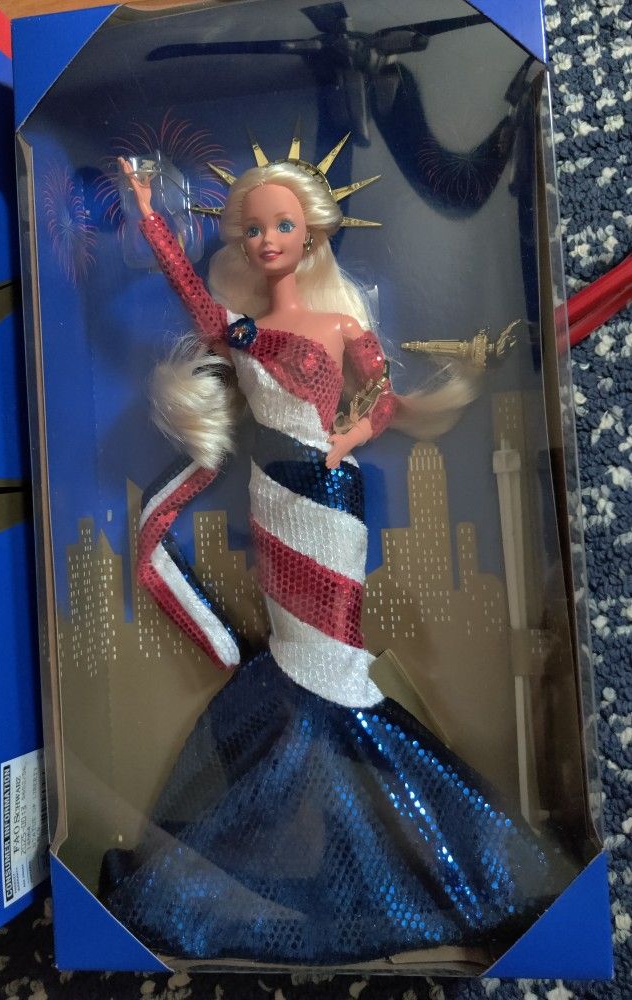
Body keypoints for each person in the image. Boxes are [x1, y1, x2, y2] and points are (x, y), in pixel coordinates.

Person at [99, 147, 564, 965]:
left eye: (282, 225)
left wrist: (344, 441)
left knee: (334, 675)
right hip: (273, 497)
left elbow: (380, 399)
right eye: (253, 229)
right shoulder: (242, 331)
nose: (267, 239)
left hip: (330, 498)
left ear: (311, 231)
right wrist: (145, 208)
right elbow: (188, 291)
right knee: (299, 670)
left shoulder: (344, 326)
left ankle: (459, 871)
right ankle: (367, 863)